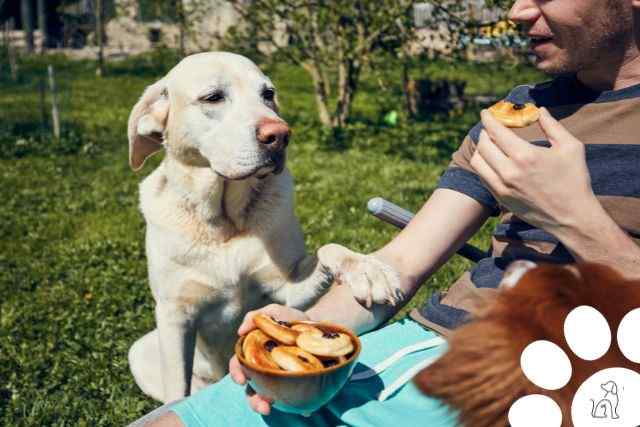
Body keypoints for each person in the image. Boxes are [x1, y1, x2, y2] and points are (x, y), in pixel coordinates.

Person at [132, 0, 640, 425]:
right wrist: (307, 329)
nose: (517, 10)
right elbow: (403, 263)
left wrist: (575, 217)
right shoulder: (522, 111)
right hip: (433, 345)